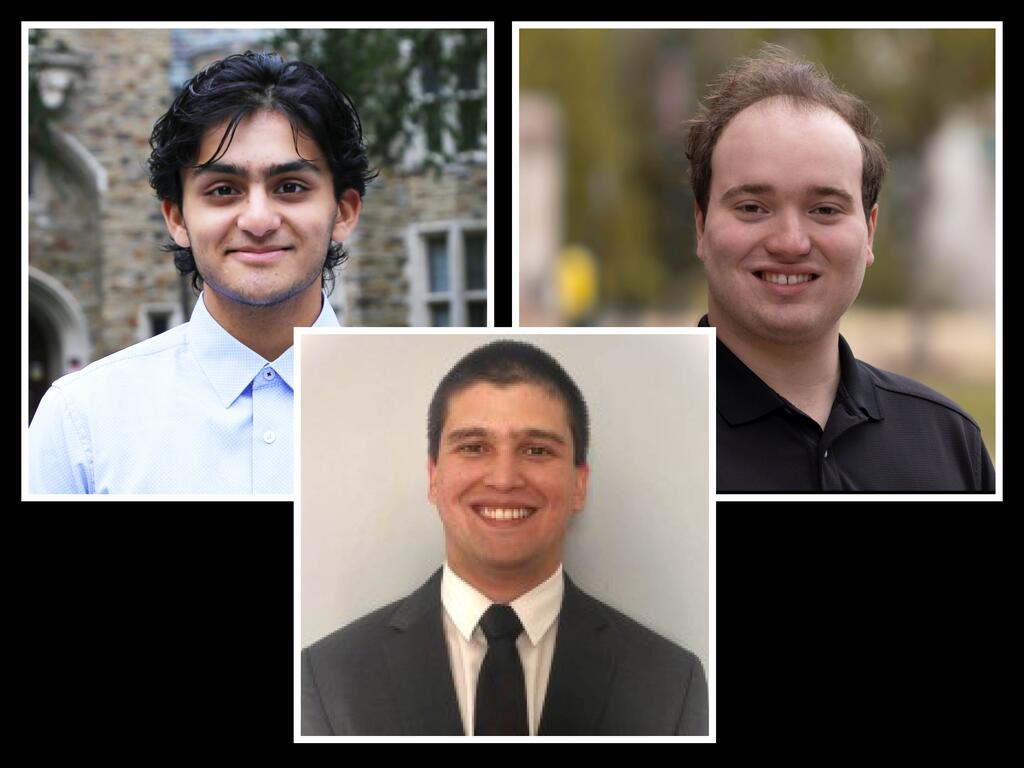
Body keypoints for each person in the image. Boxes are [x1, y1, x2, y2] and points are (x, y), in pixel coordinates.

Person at [301, 340, 709, 736]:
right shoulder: (327, 679)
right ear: (433, 477)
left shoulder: (671, 683)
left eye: (536, 451)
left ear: (579, 484)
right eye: (475, 447)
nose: (504, 479)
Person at [28, 51, 374, 494]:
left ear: (344, 212)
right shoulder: (81, 421)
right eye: (224, 190)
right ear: (177, 218)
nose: (258, 220)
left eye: (290, 187)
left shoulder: (426, 407)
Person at [686, 44, 995, 492]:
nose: (790, 242)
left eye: (825, 209)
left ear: (869, 231)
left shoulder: (950, 445)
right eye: (753, 207)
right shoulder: (628, 438)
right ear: (700, 225)